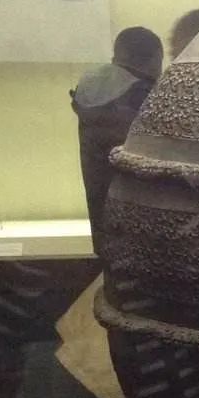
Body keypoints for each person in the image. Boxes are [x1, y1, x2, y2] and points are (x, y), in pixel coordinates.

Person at [70, 26, 163, 256]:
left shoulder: (88, 88)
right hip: (144, 220)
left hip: (100, 214)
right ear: (155, 61)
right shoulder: (146, 97)